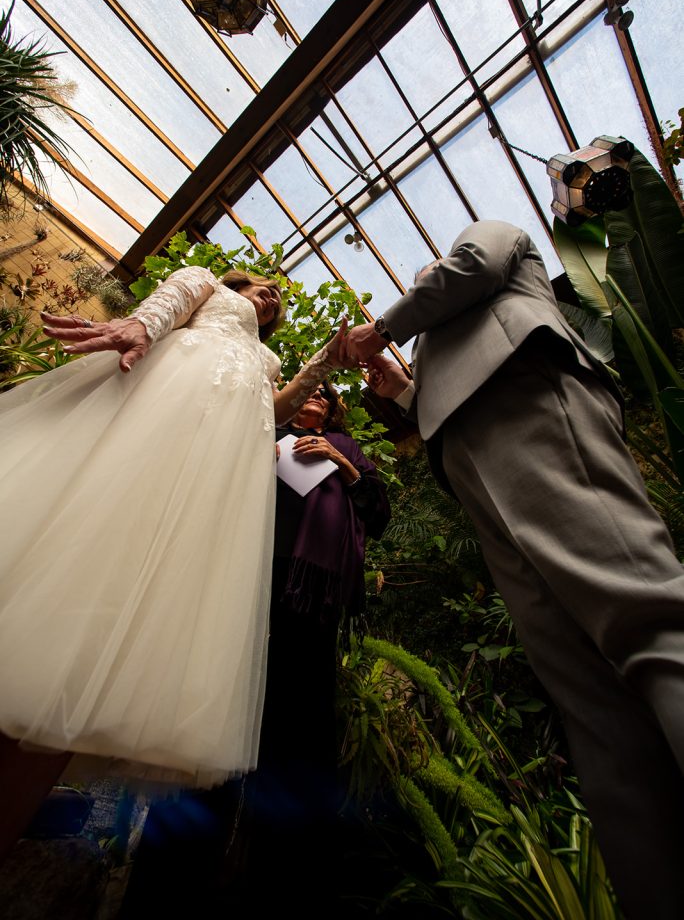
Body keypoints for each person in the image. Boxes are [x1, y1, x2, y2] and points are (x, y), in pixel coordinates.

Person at [346, 219, 684, 920]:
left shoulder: (492, 244)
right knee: (588, 702)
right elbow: (439, 393)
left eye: (421, 286)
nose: (419, 291)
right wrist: (404, 388)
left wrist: (381, 326)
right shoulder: (440, 349)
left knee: (643, 617)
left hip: (529, 394)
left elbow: (474, 263)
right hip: (472, 462)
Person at [0, 264, 352, 862]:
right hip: (167, 419)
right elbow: (173, 298)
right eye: (264, 288)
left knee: (101, 651)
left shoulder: (263, 360)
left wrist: (323, 363)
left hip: (207, 475)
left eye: (278, 301)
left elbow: (278, 408)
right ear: (239, 288)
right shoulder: (210, 288)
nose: (272, 297)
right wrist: (140, 326)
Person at [119, 379, 391, 917]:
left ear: (335, 413)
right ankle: (172, 879)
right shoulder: (266, 431)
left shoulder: (348, 449)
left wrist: (342, 460)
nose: (316, 399)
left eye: (326, 398)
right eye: (309, 393)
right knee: (218, 701)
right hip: (245, 575)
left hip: (310, 597)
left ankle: (284, 881)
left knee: (300, 717)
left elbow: (377, 518)